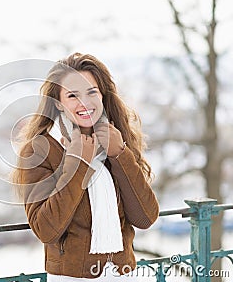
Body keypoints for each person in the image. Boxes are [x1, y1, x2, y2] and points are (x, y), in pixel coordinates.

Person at [13, 53, 159, 280]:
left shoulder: (116, 140)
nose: (85, 102)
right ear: (59, 104)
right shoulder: (39, 150)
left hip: (124, 274)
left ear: (102, 96)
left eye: (92, 92)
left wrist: (120, 155)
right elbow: (46, 229)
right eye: (73, 95)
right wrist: (78, 162)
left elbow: (145, 217)